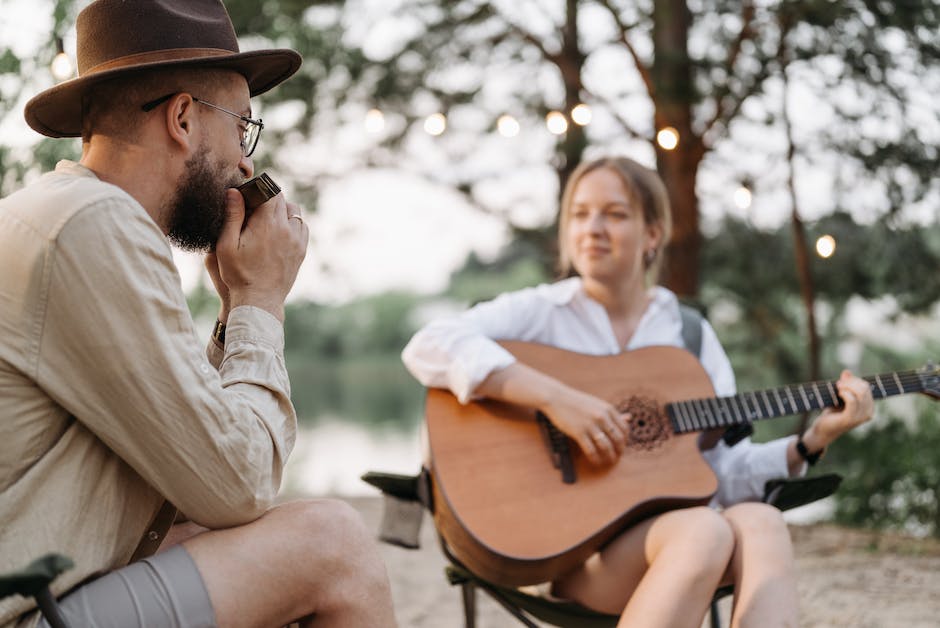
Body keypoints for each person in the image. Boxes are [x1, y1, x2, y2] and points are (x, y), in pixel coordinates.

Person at [0, 1, 396, 627]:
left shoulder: (62, 215)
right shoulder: (93, 227)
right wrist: (263, 302)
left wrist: (235, 304)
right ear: (183, 118)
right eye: (242, 128)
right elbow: (238, 484)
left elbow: (188, 470)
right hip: (25, 608)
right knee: (333, 542)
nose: (245, 163)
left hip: (50, 580)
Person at [401, 155, 874, 627]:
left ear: (652, 234)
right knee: (705, 532)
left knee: (762, 521)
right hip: (567, 555)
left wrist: (812, 441)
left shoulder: (689, 334)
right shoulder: (541, 314)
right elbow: (429, 344)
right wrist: (555, 398)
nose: (593, 228)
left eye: (615, 213)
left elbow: (722, 477)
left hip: (679, 544)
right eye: (580, 214)